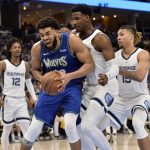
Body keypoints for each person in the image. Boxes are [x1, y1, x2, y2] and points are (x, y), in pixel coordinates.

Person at [20, 16, 94, 150]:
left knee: (70, 125)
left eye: (48, 33)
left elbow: (90, 65)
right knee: (34, 126)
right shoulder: (37, 48)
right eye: (42, 35)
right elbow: (35, 70)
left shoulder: (72, 41)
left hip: (71, 87)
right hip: (50, 90)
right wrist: (42, 79)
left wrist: (69, 77)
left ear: (57, 32)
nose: (45, 38)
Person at [71, 4, 119, 150]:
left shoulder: (100, 38)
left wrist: (107, 75)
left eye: (77, 18)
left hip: (107, 86)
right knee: (77, 126)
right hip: (89, 88)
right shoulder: (74, 38)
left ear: (87, 18)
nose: (74, 22)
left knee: (87, 126)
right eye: (73, 20)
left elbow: (115, 66)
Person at [108, 25, 150, 150]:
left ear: (131, 37)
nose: (118, 38)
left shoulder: (143, 54)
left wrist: (117, 70)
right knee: (95, 126)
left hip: (140, 97)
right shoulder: (115, 56)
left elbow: (139, 76)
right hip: (121, 98)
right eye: (117, 35)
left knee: (137, 124)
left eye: (121, 34)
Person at [0, 38, 36, 150]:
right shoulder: (3, 64)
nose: (17, 49)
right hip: (8, 100)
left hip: (21, 101)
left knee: (28, 130)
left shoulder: (25, 65)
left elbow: (29, 83)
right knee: (6, 130)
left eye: (19, 47)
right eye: (15, 47)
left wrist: (34, 99)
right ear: (10, 49)